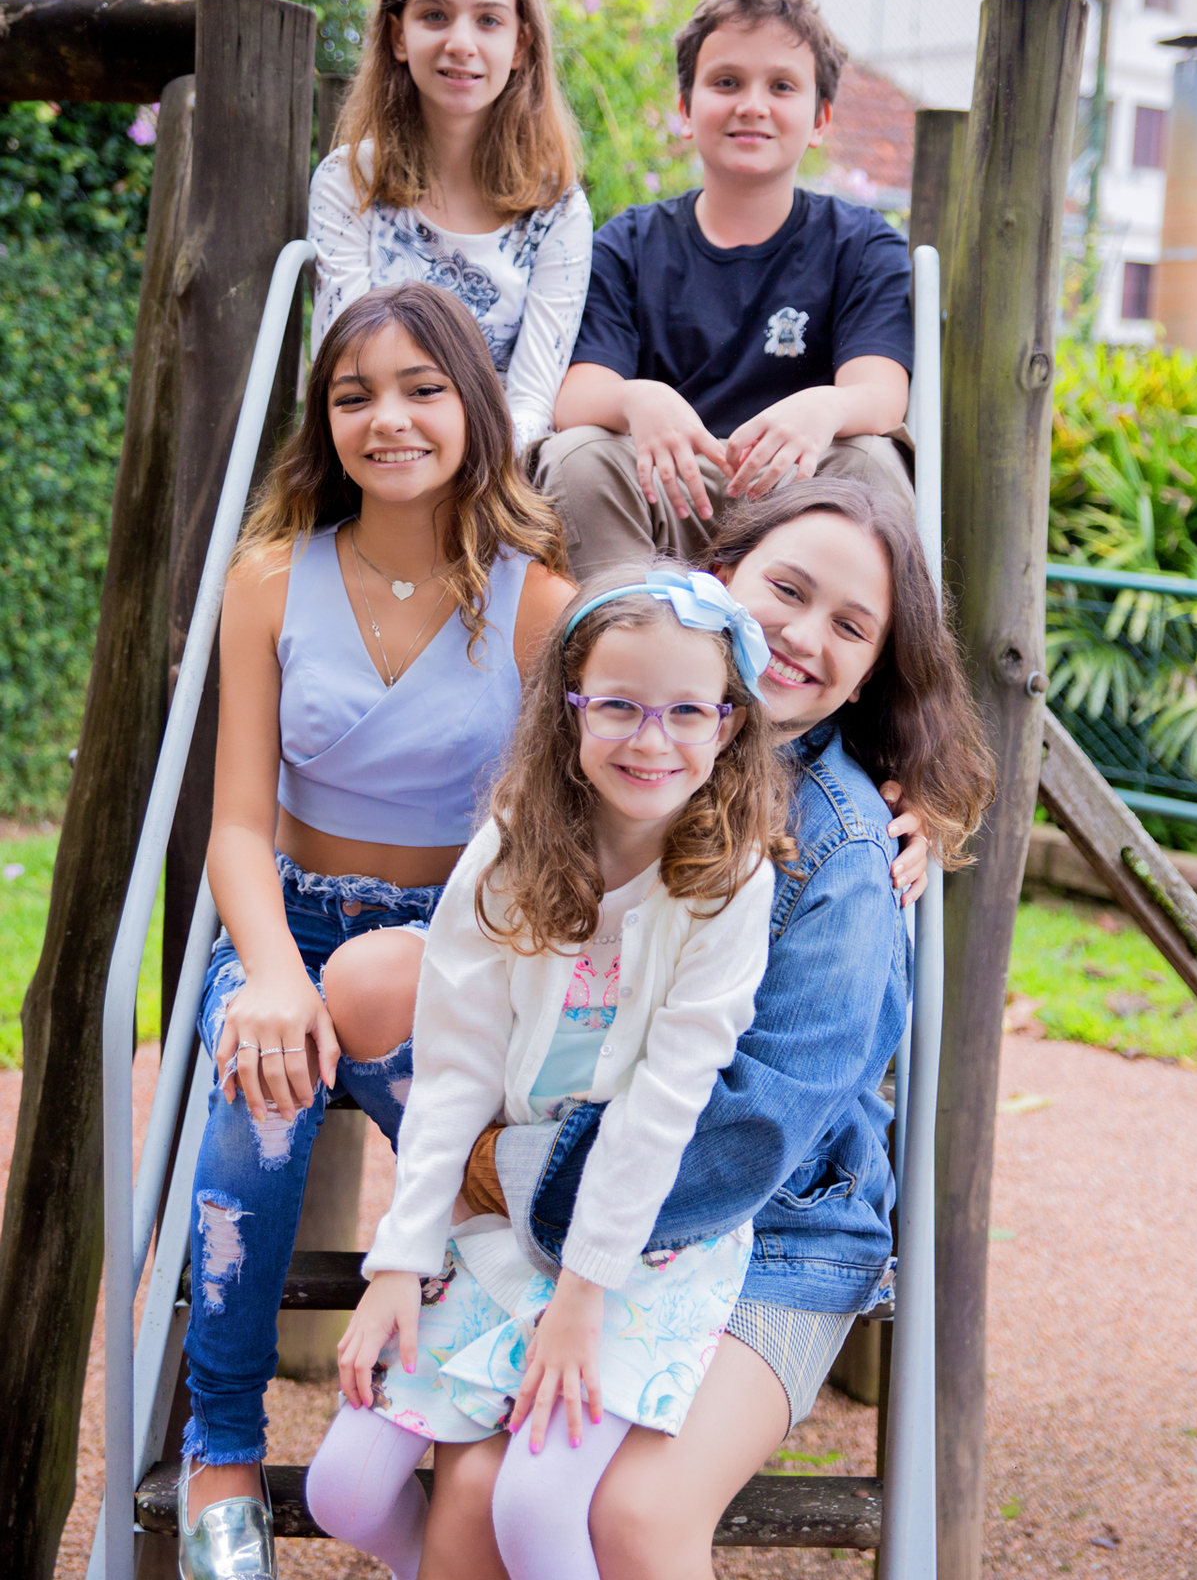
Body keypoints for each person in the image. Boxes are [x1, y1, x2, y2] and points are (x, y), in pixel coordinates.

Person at [425, 477, 995, 1580]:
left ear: (874, 670)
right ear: (720, 578)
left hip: (777, 1230)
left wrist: (515, 1173)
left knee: (633, 1515)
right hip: (600, 1206)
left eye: (850, 626)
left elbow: (757, 1128)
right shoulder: (622, 751)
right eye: (787, 588)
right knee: (482, 1488)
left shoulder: (845, 851)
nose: (803, 635)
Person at [175, 282, 575, 1575]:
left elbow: (542, 843)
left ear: (473, 405)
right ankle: (219, 1451)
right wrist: (273, 976)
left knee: (480, 1179)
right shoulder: (270, 580)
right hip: (284, 920)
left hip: (452, 938)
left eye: (420, 389)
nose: (387, 418)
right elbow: (238, 824)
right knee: (259, 1105)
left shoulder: (538, 605)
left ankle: (471, 1407)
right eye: (355, 396)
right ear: (324, 421)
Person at [304, 566, 799, 1580]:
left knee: (533, 1508)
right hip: (504, 1211)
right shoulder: (508, 850)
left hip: (635, 1239)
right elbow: (450, 1071)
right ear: (570, 708)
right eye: (617, 705)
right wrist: (399, 1261)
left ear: (730, 724)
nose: (649, 740)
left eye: (684, 712)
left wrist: (581, 1298)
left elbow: (666, 1104)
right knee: (343, 1491)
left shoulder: (730, 882)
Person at [534, 0, 916, 578]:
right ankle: (625, 647)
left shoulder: (863, 245)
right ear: (686, 111)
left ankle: (822, 664)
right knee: (576, 455)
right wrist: (641, 399)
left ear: (819, 120)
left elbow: (881, 393)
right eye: (727, 82)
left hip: (800, 498)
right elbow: (576, 397)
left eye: (782, 86)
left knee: (871, 460)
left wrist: (824, 408)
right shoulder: (627, 246)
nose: (752, 105)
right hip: (668, 495)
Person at [309, 0, 592, 453]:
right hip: (379, 456)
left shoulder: (557, 209)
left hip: (497, 473)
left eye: (489, 21)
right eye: (435, 16)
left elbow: (532, 403)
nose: (460, 43)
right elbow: (344, 372)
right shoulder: (350, 182)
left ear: (520, 46)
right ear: (399, 36)